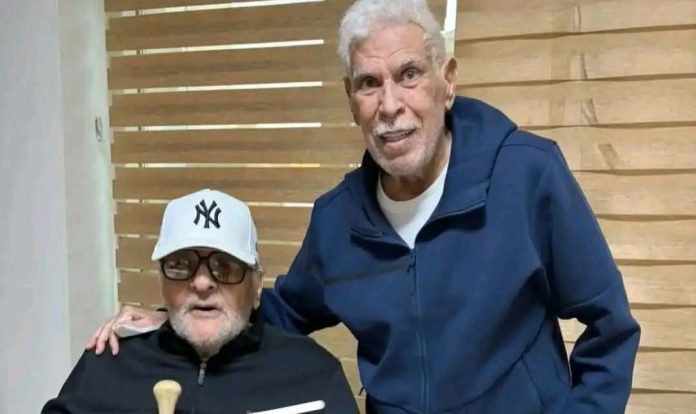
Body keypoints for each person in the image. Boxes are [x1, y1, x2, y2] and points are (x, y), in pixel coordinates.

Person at [88, 1, 641, 413]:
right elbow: (280, 313)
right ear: (351, 101)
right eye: (369, 84)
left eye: (409, 74)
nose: (390, 105)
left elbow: (610, 326)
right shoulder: (337, 219)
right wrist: (177, 314)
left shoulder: (528, 174)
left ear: (447, 82)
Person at [45, 189, 358, 414]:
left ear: (256, 287)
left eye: (225, 266)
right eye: (181, 264)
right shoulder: (106, 365)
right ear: (162, 281)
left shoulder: (314, 376)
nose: (202, 282)